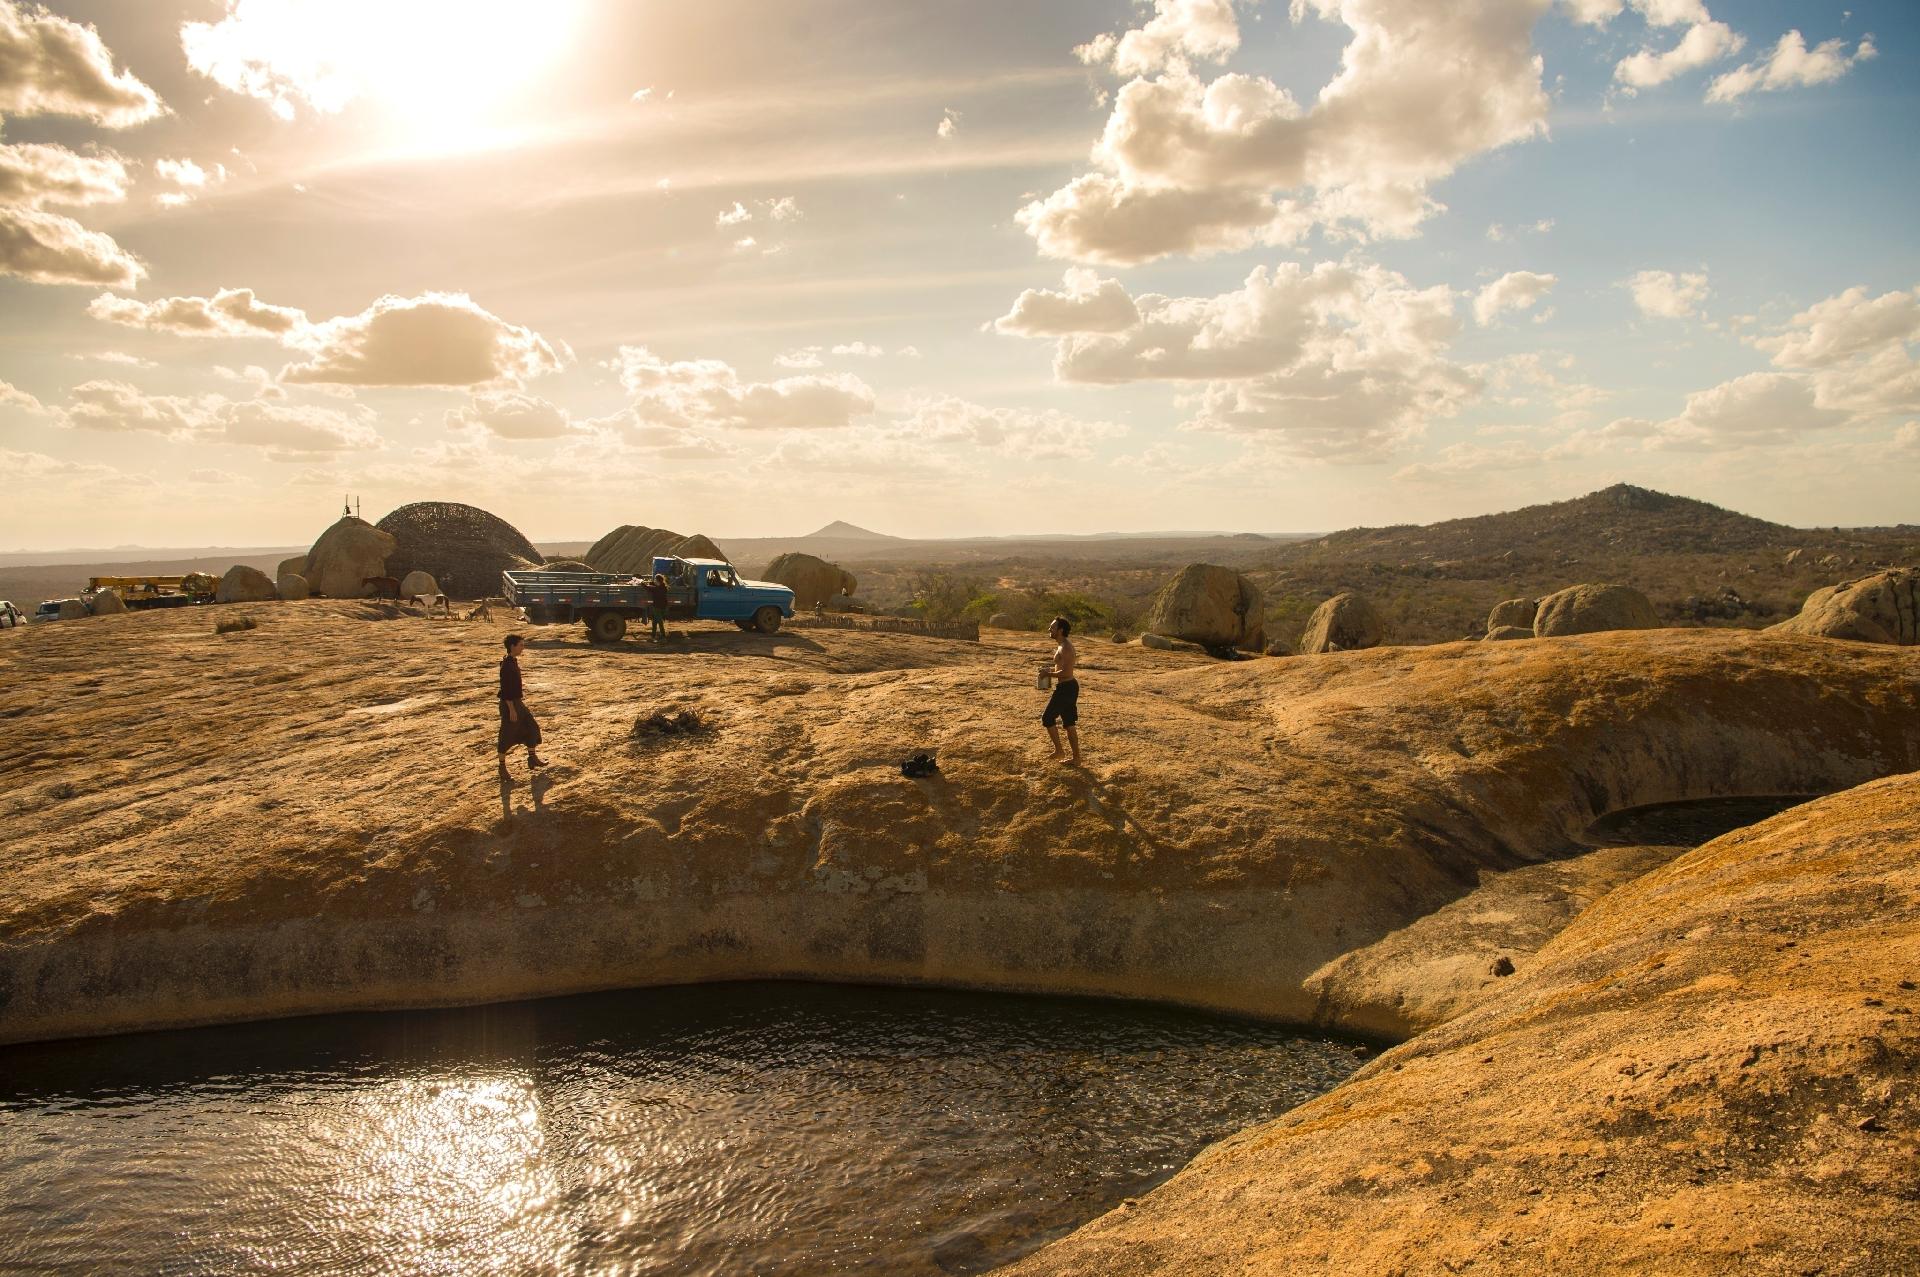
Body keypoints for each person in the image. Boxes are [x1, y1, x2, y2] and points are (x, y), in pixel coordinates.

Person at [497, 634, 546, 774]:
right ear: (512, 646)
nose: (523, 648)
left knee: (532, 727)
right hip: (510, 704)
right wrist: (512, 709)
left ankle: (532, 757)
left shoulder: (512, 661)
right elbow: (505, 690)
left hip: (517, 702)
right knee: (506, 735)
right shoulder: (506, 665)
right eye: (521, 645)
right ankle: (502, 767)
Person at [1039, 615, 1081, 765]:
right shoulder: (1061, 645)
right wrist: (1049, 670)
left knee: (1047, 718)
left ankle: (1059, 751)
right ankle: (1076, 758)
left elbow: (1066, 673)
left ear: (1060, 630)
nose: (1049, 629)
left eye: (1052, 627)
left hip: (1066, 688)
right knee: (1069, 723)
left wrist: (1048, 674)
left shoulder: (1066, 648)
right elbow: (1061, 668)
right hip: (1067, 687)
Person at [646, 572, 670, 641]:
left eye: (655, 579)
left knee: (659, 622)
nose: (654, 581)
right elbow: (655, 587)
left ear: (658, 580)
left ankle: (663, 637)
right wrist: (651, 583)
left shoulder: (657, 589)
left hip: (657, 607)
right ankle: (653, 636)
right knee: (654, 622)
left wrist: (642, 583)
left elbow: (648, 588)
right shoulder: (663, 587)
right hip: (662, 607)